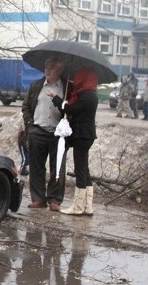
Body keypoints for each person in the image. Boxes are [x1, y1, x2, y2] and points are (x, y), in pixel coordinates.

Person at [49, 66, 98, 216]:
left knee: (80, 169)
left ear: (84, 79)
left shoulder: (87, 96)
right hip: (86, 135)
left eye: (78, 77)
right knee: (85, 168)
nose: (76, 80)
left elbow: (72, 110)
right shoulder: (90, 94)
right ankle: (88, 206)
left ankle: (77, 206)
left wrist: (56, 99)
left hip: (82, 135)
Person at [21, 57, 68, 211]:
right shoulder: (36, 86)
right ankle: (38, 198)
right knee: (36, 167)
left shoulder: (67, 88)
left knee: (58, 168)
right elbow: (26, 106)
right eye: (46, 66)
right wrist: (30, 123)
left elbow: (70, 110)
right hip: (38, 131)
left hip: (58, 133)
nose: (47, 69)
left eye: (52, 66)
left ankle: (54, 200)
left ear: (59, 70)